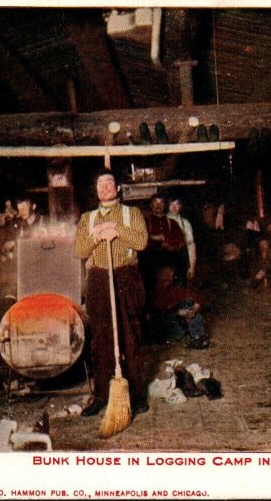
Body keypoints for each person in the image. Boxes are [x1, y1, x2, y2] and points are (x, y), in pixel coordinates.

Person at [74, 169, 149, 418]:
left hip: (126, 277)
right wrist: (96, 236)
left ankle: (137, 395)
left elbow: (141, 242)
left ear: (117, 189)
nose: (105, 187)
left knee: (130, 335)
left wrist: (117, 230)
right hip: (98, 278)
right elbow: (79, 250)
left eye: (109, 182)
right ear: (96, 190)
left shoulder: (132, 213)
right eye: (100, 183)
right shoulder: (88, 218)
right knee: (102, 339)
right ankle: (102, 396)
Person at [0, 195, 46, 311]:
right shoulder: (15, 226)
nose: (21, 209)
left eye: (25, 205)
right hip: (19, 277)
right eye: (19, 206)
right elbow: (3, 250)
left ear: (33, 206)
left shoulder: (44, 223)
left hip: (40, 276)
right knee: (8, 304)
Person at [147, 267, 209, 349]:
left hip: (181, 321)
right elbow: (159, 309)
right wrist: (178, 312)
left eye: (170, 274)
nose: (168, 276)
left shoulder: (176, 290)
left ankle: (197, 337)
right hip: (166, 324)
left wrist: (193, 311)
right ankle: (185, 336)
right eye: (164, 273)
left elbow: (197, 299)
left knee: (189, 305)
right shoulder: (154, 293)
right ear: (158, 275)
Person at [141, 195, 186, 290]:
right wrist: (154, 240)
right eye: (155, 202)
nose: (158, 205)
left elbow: (181, 241)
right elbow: (141, 241)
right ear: (150, 205)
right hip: (151, 263)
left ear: (164, 205)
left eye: (161, 202)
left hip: (170, 260)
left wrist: (168, 243)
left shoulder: (172, 222)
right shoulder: (144, 221)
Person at [167, 198, 197, 285]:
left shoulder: (185, 223)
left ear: (180, 206)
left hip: (181, 262)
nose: (174, 207)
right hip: (166, 262)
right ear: (167, 206)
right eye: (171, 204)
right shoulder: (163, 220)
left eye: (176, 204)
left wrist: (192, 266)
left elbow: (191, 245)